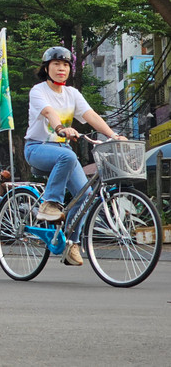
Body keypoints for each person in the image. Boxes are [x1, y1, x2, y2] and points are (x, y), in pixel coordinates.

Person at [23, 46, 125, 266]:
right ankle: (50, 204)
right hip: (36, 148)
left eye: (66, 65)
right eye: (56, 64)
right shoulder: (38, 91)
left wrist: (113, 135)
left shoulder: (73, 94)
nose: (62, 69)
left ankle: (72, 244)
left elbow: (90, 115)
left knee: (86, 196)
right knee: (67, 157)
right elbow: (49, 112)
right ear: (46, 68)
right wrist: (60, 128)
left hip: (62, 152)